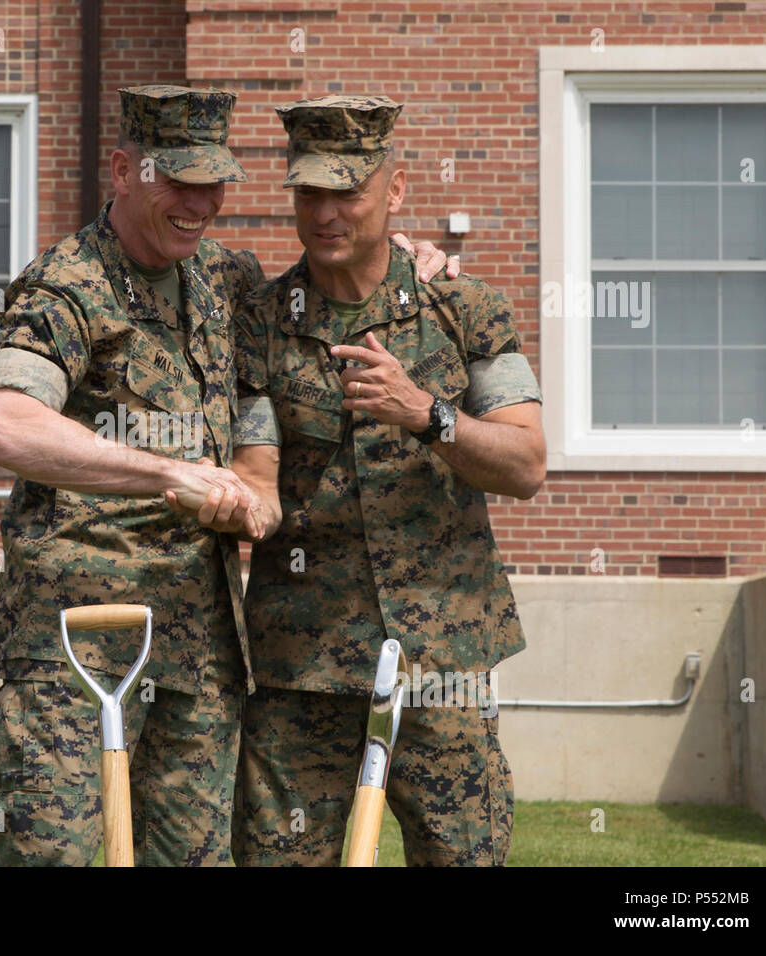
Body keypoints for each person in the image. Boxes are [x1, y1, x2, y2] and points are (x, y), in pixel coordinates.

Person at [0, 85, 452, 866]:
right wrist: (170, 476)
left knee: (193, 859)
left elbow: (282, 361)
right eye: (177, 181)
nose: (199, 203)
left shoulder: (227, 281)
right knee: (42, 849)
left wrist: (405, 258)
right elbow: (8, 426)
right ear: (123, 171)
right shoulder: (65, 287)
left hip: (199, 639)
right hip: (79, 638)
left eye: (214, 182)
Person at [229, 94, 546, 867]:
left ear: (395, 189)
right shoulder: (261, 323)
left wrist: (426, 413)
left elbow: (527, 463)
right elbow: (257, 470)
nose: (326, 213)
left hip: (442, 658)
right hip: (302, 663)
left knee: (463, 856)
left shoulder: (465, 309)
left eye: (348, 192)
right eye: (309, 193)